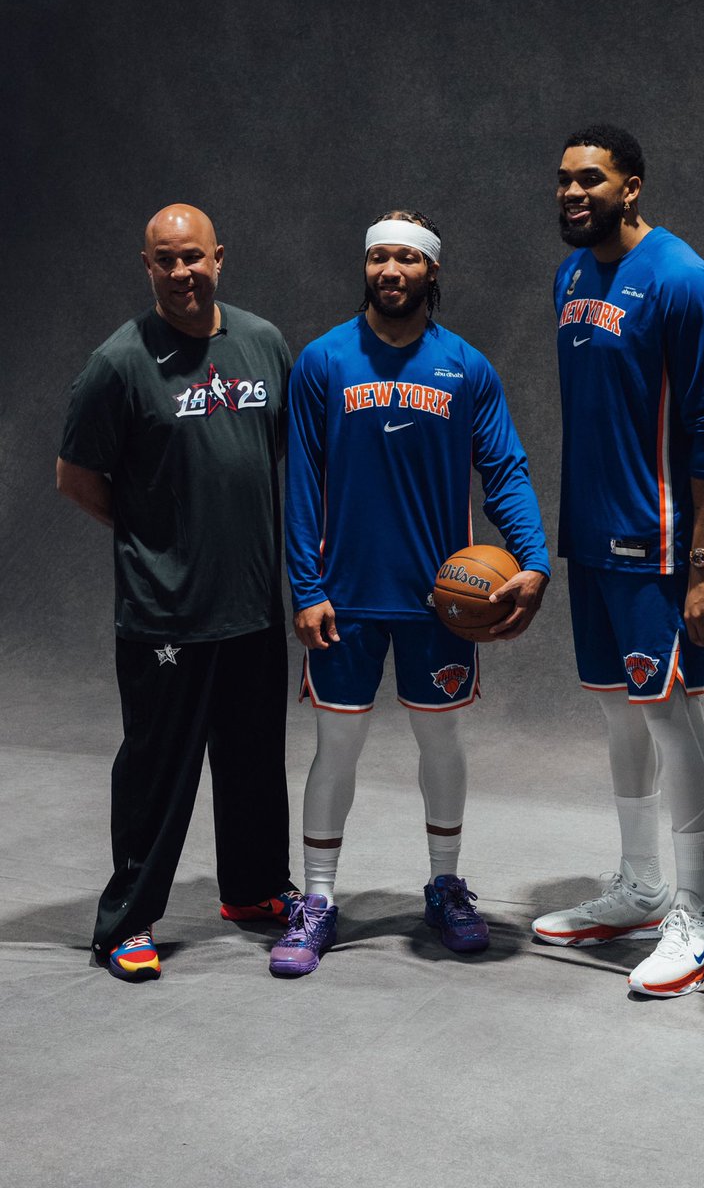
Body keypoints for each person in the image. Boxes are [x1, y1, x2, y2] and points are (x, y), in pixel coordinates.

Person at [272, 209, 550, 976]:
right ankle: (317, 899)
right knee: (336, 747)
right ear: (366, 267)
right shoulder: (323, 361)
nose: (390, 271)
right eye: (378, 258)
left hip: (443, 601)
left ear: (432, 270)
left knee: (441, 741)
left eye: (406, 258)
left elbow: (506, 471)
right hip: (345, 597)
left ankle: (445, 886)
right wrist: (305, 586)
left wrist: (533, 561)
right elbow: (301, 486)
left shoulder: (466, 367)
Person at [57, 204, 299, 982]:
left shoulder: (263, 343)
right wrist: (151, 535)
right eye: (165, 260)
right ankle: (126, 922)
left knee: (254, 759)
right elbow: (75, 477)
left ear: (218, 257)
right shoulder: (118, 362)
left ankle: (254, 890)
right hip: (166, 612)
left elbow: (274, 456)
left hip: (252, 602)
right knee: (157, 770)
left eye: (193, 256)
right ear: (148, 267)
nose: (182, 272)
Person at [531, 125, 704, 998]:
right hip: (592, 535)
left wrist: (703, 565)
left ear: (632, 187)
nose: (572, 192)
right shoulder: (570, 276)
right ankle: (642, 887)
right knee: (619, 713)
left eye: (591, 179)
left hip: (656, 542)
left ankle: (697, 915)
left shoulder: (682, 278)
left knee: (667, 715)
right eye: (563, 179)